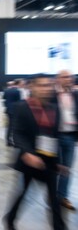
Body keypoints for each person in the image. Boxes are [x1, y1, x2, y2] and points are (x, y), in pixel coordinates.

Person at [4, 73, 66, 230]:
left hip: (49, 161)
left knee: (54, 198)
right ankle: (10, 219)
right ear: (32, 87)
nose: (46, 89)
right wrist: (28, 152)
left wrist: (59, 161)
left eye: (48, 85)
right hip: (29, 161)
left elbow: (55, 136)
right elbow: (17, 133)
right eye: (42, 85)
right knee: (23, 193)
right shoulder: (22, 107)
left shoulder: (55, 109)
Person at [55, 70, 78, 210]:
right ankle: (52, 194)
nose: (68, 79)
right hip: (55, 136)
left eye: (70, 77)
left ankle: (62, 196)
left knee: (66, 169)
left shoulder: (75, 95)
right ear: (58, 79)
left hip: (70, 136)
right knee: (54, 168)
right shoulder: (52, 95)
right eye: (65, 77)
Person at [3, 79, 22, 146]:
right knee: (14, 126)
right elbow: (19, 101)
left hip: (8, 110)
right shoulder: (17, 91)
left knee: (9, 126)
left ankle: (8, 140)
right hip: (15, 110)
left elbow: (4, 98)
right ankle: (15, 141)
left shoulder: (7, 90)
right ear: (18, 84)